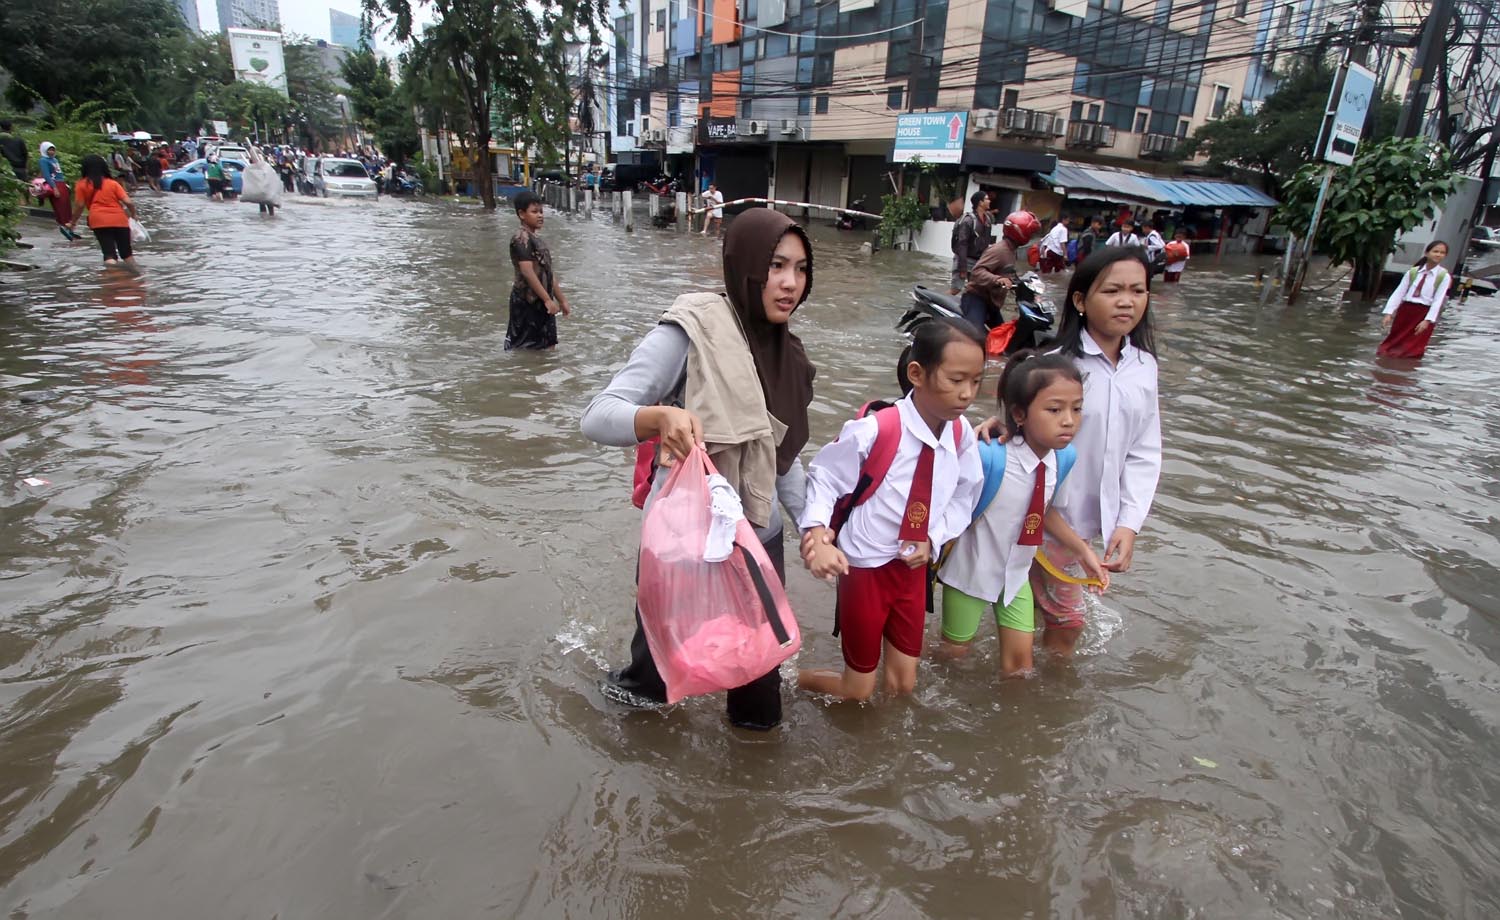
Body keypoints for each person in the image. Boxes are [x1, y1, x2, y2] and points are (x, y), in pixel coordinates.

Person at [580, 208, 817, 730]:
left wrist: (814, 529)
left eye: (801, 269)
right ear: (745, 265)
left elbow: (779, 457)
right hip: (684, 544)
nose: (790, 283)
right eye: (776, 265)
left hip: (756, 540)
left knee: (760, 702)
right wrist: (657, 418)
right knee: (654, 687)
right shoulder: (689, 332)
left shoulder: (790, 357)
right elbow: (597, 416)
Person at [796, 316, 985, 702]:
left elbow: (966, 494)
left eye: (976, 381)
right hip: (865, 567)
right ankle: (788, 678)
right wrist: (817, 536)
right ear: (917, 374)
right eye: (955, 379)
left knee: (903, 685)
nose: (967, 393)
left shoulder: (961, 433)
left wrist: (933, 538)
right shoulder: (876, 430)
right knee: (857, 691)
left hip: (913, 567)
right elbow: (824, 478)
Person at [991, 247, 1160, 657]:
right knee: (1067, 623)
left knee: (1035, 611)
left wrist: (1129, 524)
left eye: (1137, 290)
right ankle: (1047, 687)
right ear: (1081, 300)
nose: (1126, 301)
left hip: (1089, 522)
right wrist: (993, 426)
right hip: (1042, 517)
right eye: (1113, 291)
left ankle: (1026, 678)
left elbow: (1144, 450)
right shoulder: (1053, 365)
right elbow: (1017, 437)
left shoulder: (1144, 367)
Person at [937, 351, 1109, 678]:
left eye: (1077, 408)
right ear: (1019, 413)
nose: (1069, 420)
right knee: (952, 657)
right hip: (970, 575)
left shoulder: (1063, 459)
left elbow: (1044, 512)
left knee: (1020, 669)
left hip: (1016, 578)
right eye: (1054, 410)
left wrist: (1083, 551)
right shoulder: (987, 456)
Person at [505, 190, 571, 350]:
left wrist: (562, 300)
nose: (540, 215)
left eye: (541, 211)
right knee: (525, 347)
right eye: (534, 212)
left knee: (549, 344)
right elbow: (527, 271)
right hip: (527, 302)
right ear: (521, 214)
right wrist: (548, 300)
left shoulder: (536, 239)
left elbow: (548, 273)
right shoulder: (521, 239)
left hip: (542, 301)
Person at [961, 210, 1041, 331]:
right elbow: (976, 272)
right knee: (975, 336)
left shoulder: (1012, 250)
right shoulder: (999, 250)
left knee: (1004, 334)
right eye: (1030, 234)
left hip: (992, 303)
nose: (1031, 237)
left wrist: (1025, 287)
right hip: (976, 299)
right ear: (1021, 232)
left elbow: (1008, 273)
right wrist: (998, 279)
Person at [1377, 241, 1452, 359]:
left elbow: (1438, 301)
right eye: (1435, 251)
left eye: (1442, 253)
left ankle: (1406, 368)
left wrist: (1427, 320)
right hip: (1406, 311)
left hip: (1424, 313)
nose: (1438, 255)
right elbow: (1399, 293)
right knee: (1393, 342)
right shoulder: (1413, 272)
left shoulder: (1443, 276)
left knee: (1413, 348)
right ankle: (1386, 363)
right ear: (1427, 253)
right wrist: (1389, 312)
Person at [68, 154, 139, 266]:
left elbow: (79, 206)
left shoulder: (81, 185)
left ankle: (111, 275)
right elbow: (129, 202)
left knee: (109, 253)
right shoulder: (113, 183)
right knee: (127, 254)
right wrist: (134, 214)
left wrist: (72, 223)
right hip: (120, 220)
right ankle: (137, 274)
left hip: (99, 220)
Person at [950, 191, 993, 294]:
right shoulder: (968, 220)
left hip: (977, 261)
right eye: (987, 199)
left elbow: (986, 243)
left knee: (975, 290)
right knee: (956, 289)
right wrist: (963, 268)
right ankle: (936, 301)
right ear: (980, 202)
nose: (989, 201)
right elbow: (962, 244)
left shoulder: (987, 220)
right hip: (963, 259)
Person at [39, 141, 79, 239]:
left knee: (67, 206)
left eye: (53, 150)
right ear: (44, 150)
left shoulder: (55, 160)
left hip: (61, 183)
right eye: (49, 150)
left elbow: (59, 173)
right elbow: (47, 175)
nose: (52, 152)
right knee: (59, 207)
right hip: (54, 184)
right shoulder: (43, 160)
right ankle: (63, 226)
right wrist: (54, 188)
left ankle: (70, 228)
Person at [1, 121, 27, 205]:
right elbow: (25, 154)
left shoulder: (1, 141)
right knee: (21, 191)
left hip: (7, 169)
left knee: (10, 192)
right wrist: (26, 167)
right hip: (20, 167)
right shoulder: (19, 140)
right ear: (11, 128)